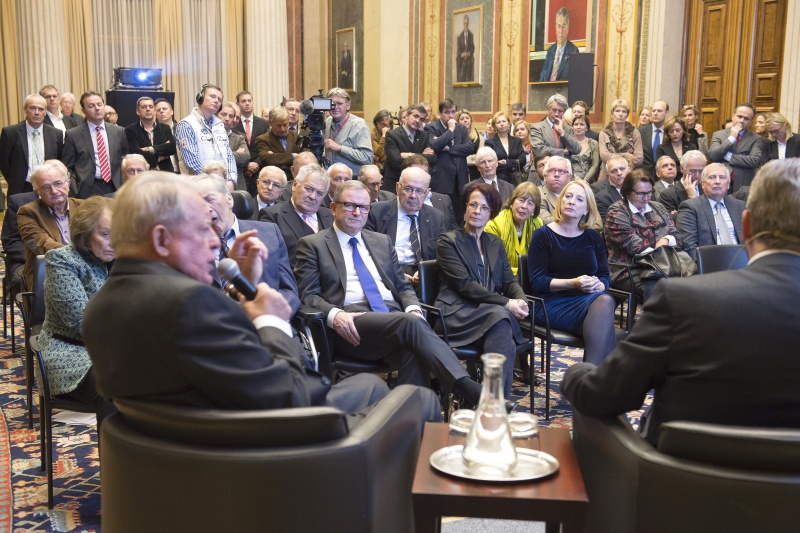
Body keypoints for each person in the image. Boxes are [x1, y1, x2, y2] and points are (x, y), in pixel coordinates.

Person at [83, 171, 414, 423]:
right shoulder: (189, 303)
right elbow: (291, 394)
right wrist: (271, 320)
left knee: (370, 387)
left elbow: (213, 355)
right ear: (160, 239)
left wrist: (240, 288)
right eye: (202, 229)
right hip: (260, 446)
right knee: (409, 400)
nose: (216, 242)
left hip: (187, 444)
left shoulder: (101, 306)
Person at [562, 159, 800, 446]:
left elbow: (605, 396)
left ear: (746, 226)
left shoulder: (683, 301)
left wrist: (575, 374)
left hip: (681, 468)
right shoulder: (621, 215)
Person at [294, 179, 484, 406]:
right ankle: (467, 388)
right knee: (411, 323)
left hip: (392, 319)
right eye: (350, 205)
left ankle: (410, 420)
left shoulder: (381, 241)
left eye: (363, 207)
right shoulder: (312, 244)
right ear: (334, 208)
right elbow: (308, 295)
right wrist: (335, 315)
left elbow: (402, 287)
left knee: (414, 352)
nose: (357, 212)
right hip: (351, 323)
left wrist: (413, 308)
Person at [436, 181, 530, 397]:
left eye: (484, 207)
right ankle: (497, 404)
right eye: (473, 205)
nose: (477, 211)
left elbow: (509, 281)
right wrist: (507, 303)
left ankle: (489, 401)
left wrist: (521, 300)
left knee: (502, 328)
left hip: (488, 315)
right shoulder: (448, 241)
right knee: (502, 317)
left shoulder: (494, 242)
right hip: (456, 314)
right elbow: (465, 286)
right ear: (465, 207)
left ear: (492, 213)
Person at [38, 196, 116, 423]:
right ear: (84, 234)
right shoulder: (62, 261)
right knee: (114, 386)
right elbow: (82, 323)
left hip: (117, 350)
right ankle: (115, 447)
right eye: (105, 234)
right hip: (71, 354)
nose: (114, 242)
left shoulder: (123, 260)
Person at [528, 179, 617, 365]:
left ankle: (590, 377)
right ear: (561, 201)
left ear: (587, 209)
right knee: (605, 321)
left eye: (579, 199)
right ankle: (592, 378)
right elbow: (537, 281)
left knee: (604, 301)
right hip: (550, 303)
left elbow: (604, 276)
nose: (571, 202)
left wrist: (599, 285)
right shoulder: (543, 235)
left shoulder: (593, 237)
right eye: (567, 196)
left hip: (588, 301)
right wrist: (574, 283)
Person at [192, 173, 300, 314]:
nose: (206, 209)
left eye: (209, 199)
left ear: (229, 199)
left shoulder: (269, 233)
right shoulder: (188, 247)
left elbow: (289, 291)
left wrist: (267, 317)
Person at [604, 169, 682, 301]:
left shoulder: (658, 207)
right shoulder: (617, 211)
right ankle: (656, 315)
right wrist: (660, 250)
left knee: (688, 284)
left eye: (649, 193)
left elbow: (677, 236)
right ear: (627, 192)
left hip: (665, 266)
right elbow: (634, 246)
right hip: (629, 270)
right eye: (640, 193)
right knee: (662, 290)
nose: (646, 198)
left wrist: (665, 240)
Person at [365, 166, 446, 288]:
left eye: (419, 191)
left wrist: (426, 272)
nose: (413, 196)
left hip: (422, 276)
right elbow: (366, 252)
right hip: (386, 275)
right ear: (397, 188)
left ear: (427, 193)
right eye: (408, 189)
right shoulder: (376, 212)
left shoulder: (436, 217)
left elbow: (443, 255)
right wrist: (395, 274)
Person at [18, 161, 84, 290]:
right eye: (46, 187)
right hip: (49, 274)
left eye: (58, 183)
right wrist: (78, 258)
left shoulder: (85, 207)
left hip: (86, 271)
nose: (54, 191)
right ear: (37, 192)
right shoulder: (28, 212)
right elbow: (43, 245)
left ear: (68, 184)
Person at [259, 163, 335, 267]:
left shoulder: (331, 216)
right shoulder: (272, 216)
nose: (313, 196)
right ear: (294, 185)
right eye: (308, 189)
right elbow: (270, 261)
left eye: (319, 193)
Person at [62, 91, 129, 198]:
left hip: (115, 187)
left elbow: (125, 160)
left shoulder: (119, 131)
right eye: (91, 106)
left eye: (99, 104)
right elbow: (67, 167)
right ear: (83, 110)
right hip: (86, 189)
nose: (97, 108)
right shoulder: (73, 135)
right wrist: (74, 188)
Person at [676, 163, 745, 262]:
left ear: (728, 184)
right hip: (710, 264)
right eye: (712, 177)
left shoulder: (739, 206)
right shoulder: (691, 207)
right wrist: (705, 266)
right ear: (703, 184)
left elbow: (751, 240)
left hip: (741, 262)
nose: (717, 181)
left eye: (722, 177)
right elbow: (689, 246)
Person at [0, 94, 64, 196]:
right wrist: (14, 181)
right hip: (21, 188)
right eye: (33, 108)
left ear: (45, 112)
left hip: (49, 188)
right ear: (25, 109)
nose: (37, 112)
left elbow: (59, 160)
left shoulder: (56, 134)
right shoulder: (10, 133)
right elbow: (4, 163)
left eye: (41, 109)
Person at [175, 84, 237, 182]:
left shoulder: (219, 125)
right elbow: (191, 162)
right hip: (197, 184)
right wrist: (212, 181)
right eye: (212, 96)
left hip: (221, 183)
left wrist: (231, 180)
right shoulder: (186, 124)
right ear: (200, 98)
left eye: (219, 99)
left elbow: (229, 156)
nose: (216, 101)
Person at [425, 99, 473, 220]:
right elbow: (434, 145)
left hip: (459, 180)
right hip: (441, 179)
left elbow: (469, 148)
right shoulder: (432, 127)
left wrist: (449, 148)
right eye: (447, 112)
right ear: (440, 113)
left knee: (458, 217)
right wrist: (450, 130)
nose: (451, 116)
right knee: (442, 216)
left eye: (453, 112)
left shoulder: (461, 128)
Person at [485, 181, 544, 276]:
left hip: (531, 278)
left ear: (534, 210)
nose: (524, 206)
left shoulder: (538, 224)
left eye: (530, 203)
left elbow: (541, 259)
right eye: (521, 200)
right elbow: (494, 264)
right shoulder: (494, 224)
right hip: (502, 278)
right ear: (512, 202)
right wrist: (522, 272)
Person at [708, 103, 764, 193]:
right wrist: (731, 139)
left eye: (746, 118)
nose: (741, 120)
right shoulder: (718, 134)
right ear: (733, 116)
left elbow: (754, 160)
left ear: (751, 122)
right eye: (739, 116)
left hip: (743, 183)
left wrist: (728, 156)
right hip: (721, 182)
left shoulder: (756, 138)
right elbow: (713, 155)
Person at [384, 104, 437, 191]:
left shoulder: (424, 136)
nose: (418, 121)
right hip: (395, 183)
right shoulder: (392, 135)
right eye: (415, 116)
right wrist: (421, 156)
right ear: (407, 116)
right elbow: (396, 162)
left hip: (417, 185)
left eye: (421, 119)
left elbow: (433, 159)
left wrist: (409, 155)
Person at [323, 88, 373, 175]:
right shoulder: (328, 122)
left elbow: (367, 157)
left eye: (339, 103)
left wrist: (340, 148)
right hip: (331, 176)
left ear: (348, 106)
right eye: (332, 104)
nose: (335, 107)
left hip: (352, 178)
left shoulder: (358, 125)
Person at [124, 96, 177, 172]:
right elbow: (135, 153)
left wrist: (150, 149)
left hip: (166, 173)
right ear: (138, 111)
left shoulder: (165, 128)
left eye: (151, 107)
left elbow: (172, 147)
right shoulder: (130, 130)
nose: (148, 109)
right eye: (144, 107)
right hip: (144, 174)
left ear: (154, 111)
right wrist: (160, 157)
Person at [234, 90, 270, 193]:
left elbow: (267, 148)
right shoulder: (234, 124)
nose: (247, 103)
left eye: (249, 101)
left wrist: (255, 164)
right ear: (237, 104)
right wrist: (247, 165)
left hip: (259, 171)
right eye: (243, 101)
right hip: (240, 171)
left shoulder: (263, 123)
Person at [598, 99, 643, 181]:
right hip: (607, 174)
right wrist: (627, 156)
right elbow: (604, 156)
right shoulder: (604, 133)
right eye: (617, 111)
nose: (620, 114)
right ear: (612, 114)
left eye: (624, 111)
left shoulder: (634, 132)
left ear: (627, 115)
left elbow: (639, 159)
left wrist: (614, 155)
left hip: (629, 173)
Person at [255, 107, 304, 181]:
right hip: (274, 180)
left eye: (285, 125)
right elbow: (267, 159)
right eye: (278, 126)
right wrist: (293, 156)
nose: (282, 129)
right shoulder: (262, 139)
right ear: (270, 123)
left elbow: (304, 156)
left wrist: (276, 156)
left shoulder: (296, 136)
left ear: (288, 121)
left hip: (295, 179)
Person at [531, 94, 581, 161]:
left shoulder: (569, 129)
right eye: (554, 110)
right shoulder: (536, 128)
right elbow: (539, 150)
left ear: (564, 112)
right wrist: (563, 152)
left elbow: (577, 149)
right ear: (548, 109)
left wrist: (562, 132)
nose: (557, 114)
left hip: (564, 166)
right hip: (544, 166)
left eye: (560, 111)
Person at [658, 150, 706, 214]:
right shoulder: (667, 195)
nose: (697, 176)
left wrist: (678, 213)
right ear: (682, 168)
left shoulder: (707, 189)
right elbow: (674, 220)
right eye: (693, 171)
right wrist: (691, 197)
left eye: (701, 171)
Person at [485, 111, 526, 185]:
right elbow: (490, 163)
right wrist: (514, 163)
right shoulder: (489, 143)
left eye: (504, 121)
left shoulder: (516, 141)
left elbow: (523, 160)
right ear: (494, 126)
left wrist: (507, 162)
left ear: (509, 124)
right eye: (498, 122)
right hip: (499, 179)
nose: (502, 124)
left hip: (516, 179)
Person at [539, 7, 579, 81]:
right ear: (556, 28)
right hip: (547, 88)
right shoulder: (550, 51)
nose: (561, 31)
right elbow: (542, 79)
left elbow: (574, 81)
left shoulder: (573, 51)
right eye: (559, 26)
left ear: (568, 28)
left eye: (564, 26)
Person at [655, 117, 697, 181]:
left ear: (684, 130)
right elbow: (661, 168)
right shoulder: (661, 148)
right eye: (671, 131)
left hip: (688, 180)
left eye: (678, 130)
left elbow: (694, 167)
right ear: (667, 132)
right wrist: (684, 169)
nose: (674, 134)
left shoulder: (691, 147)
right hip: (669, 181)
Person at [594, 154, 630, 222]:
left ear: (629, 170)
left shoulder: (641, 190)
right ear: (608, 175)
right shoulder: (602, 198)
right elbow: (608, 224)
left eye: (622, 169)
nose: (619, 173)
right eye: (614, 171)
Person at [538, 155, 572, 224]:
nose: (556, 174)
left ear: (569, 177)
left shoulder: (577, 193)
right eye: (552, 171)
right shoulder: (538, 194)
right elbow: (547, 222)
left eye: (561, 171)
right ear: (545, 176)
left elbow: (594, 222)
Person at [638, 100, 669, 177]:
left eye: (659, 111)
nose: (655, 113)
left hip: (664, 174)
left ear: (666, 113)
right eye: (653, 111)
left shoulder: (670, 132)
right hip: (644, 174)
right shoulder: (640, 131)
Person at [570, 115, 600, 183]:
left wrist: (586, 180)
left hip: (588, 180)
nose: (578, 127)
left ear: (587, 128)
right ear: (573, 127)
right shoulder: (568, 142)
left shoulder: (593, 143)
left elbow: (595, 165)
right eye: (576, 124)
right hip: (570, 180)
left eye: (582, 124)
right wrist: (574, 179)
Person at [154, 98, 180, 173]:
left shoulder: (181, 128)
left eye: (164, 109)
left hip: (182, 172)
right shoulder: (153, 132)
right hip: (163, 173)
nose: (161, 111)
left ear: (172, 112)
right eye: (158, 110)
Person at [456, 14, 475, 82]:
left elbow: (473, 48)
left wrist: (469, 53)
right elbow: (458, 50)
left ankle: (469, 83)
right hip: (462, 59)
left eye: (467, 23)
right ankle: (462, 83)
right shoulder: (460, 36)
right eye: (465, 23)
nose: (466, 25)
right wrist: (462, 54)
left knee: (468, 64)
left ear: (468, 23)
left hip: (469, 58)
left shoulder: (471, 35)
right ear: (463, 24)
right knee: (464, 65)